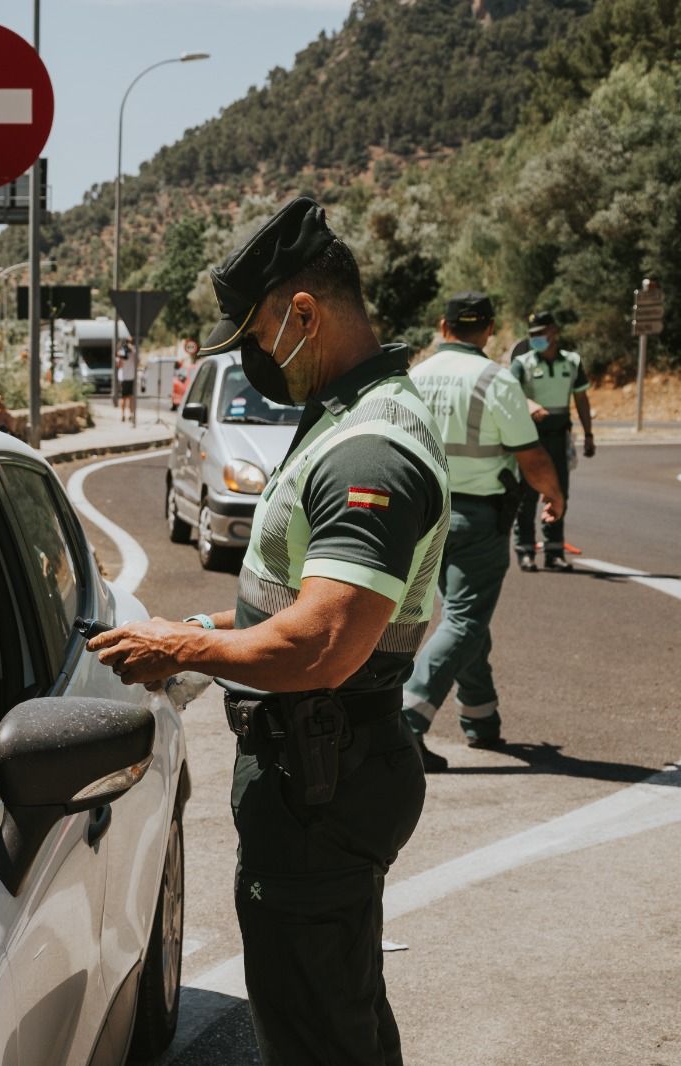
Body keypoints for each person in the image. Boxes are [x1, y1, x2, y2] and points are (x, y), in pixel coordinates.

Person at [87, 197, 443, 1065]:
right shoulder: (342, 414)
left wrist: (182, 650)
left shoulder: (369, 450)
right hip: (318, 766)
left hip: (323, 772)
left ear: (303, 314)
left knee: (317, 1027)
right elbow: (289, 608)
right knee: (335, 1005)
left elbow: (321, 645)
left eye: (252, 333)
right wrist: (202, 628)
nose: (250, 354)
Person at [401, 294, 566, 770]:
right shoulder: (497, 379)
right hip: (477, 517)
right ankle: (407, 722)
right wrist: (555, 495)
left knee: (461, 617)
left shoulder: (414, 376)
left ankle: (481, 719)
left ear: (442, 325)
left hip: (424, 517)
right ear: (489, 329)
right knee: (466, 621)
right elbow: (530, 456)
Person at [510, 310, 594, 571]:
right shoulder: (522, 363)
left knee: (559, 494)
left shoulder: (571, 362)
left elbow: (581, 398)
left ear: (553, 332)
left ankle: (554, 551)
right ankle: (525, 549)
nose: (536, 338)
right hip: (531, 438)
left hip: (559, 437)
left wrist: (589, 434)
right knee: (527, 495)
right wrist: (528, 403)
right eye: (532, 334)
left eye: (540, 333)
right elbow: (508, 396)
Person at [116, 339, 138, 421]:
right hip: (123, 378)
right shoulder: (121, 353)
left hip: (130, 377)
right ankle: (122, 415)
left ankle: (130, 415)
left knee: (130, 397)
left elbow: (138, 362)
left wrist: (132, 351)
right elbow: (119, 365)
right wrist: (121, 356)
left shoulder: (133, 352)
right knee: (124, 397)